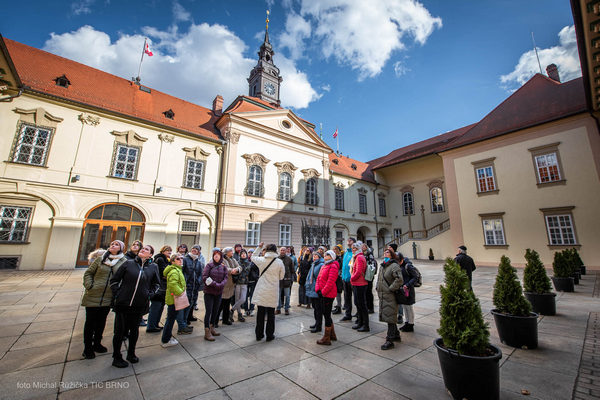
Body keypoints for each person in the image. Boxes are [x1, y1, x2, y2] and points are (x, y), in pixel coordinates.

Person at [110, 244, 160, 368]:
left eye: (147, 249)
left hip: (139, 304)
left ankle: (131, 353)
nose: (143, 250)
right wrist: (118, 293)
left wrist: (149, 295)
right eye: (142, 248)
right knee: (119, 332)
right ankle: (116, 356)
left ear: (150, 255)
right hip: (123, 303)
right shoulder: (129, 263)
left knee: (134, 330)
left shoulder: (153, 267)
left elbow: (156, 284)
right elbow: (114, 280)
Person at [81, 241, 126, 359]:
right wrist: (90, 285)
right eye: (112, 244)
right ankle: (87, 348)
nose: (113, 245)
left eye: (116, 244)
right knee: (90, 322)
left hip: (108, 296)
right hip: (93, 294)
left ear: (121, 248)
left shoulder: (123, 261)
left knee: (101, 322)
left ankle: (97, 343)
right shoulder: (100, 259)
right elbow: (88, 273)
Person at [251, 243, 285, 341]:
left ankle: (259, 335)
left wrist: (259, 247)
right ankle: (270, 335)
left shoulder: (262, 260)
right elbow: (281, 276)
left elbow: (253, 256)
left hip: (262, 289)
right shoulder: (279, 262)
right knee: (271, 314)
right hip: (272, 290)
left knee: (260, 313)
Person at [161, 254, 191, 348]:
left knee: (170, 319)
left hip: (175, 299)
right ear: (173, 261)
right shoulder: (174, 271)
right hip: (174, 299)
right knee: (170, 320)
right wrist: (181, 292)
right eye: (178, 259)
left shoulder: (178, 270)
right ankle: (165, 340)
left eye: (182, 258)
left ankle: (167, 337)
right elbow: (172, 285)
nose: (181, 260)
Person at [377, 249, 404, 350]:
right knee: (389, 315)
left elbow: (399, 279)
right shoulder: (383, 265)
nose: (385, 253)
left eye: (387, 252)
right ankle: (396, 334)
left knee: (390, 317)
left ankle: (390, 340)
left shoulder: (394, 265)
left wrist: (390, 289)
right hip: (383, 295)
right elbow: (380, 278)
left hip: (390, 295)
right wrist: (377, 287)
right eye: (384, 252)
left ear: (392, 255)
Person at [314, 250, 339, 345]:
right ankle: (332, 334)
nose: (325, 256)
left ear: (332, 257)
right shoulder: (324, 265)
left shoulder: (333, 266)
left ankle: (326, 338)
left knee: (327, 314)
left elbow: (330, 281)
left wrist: (323, 292)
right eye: (325, 254)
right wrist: (318, 290)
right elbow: (318, 278)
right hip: (322, 293)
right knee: (326, 313)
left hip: (328, 294)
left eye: (328, 255)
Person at [202, 250, 228, 341]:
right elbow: (205, 277)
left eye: (218, 255)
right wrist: (215, 284)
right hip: (209, 292)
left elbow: (226, 277)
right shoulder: (209, 266)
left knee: (215, 311)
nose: (216, 257)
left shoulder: (223, 267)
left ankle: (212, 327)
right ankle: (207, 331)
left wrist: (221, 285)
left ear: (221, 257)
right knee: (208, 311)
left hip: (219, 292)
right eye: (215, 255)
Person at [147, 245, 171, 333]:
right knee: (155, 307)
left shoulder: (166, 260)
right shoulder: (160, 259)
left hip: (163, 287)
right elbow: (163, 273)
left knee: (160, 307)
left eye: (170, 251)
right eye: (167, 250)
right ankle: (151, 326)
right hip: (159, 288)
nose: (169, 252)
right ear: (163, 251)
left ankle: (155, 324)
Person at [182, 245, 204, 326]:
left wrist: (198, 282)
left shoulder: (198, 262)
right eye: (193, 249)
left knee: (192, 301)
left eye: (196, 249)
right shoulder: (185, 259)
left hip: (195, 286)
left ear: (199, 252)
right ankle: (184, 320)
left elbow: (200, 273)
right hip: (187, 285)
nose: (194, 250)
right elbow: (183, 272)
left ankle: (189, 317)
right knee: (186, 303)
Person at [350, 241, 369, 332]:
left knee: (362, 304)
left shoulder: (360, 257)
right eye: (352, 248)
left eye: (355, 248)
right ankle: (360, 322)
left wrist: (352, 278)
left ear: (358, 249)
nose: (353, 250)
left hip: (360, 283)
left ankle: (365, 325)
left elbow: (358, 271)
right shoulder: (357, 257)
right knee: (358, 304)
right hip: (357, 283)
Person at [398, 253, 419, 332]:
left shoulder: (408, 266)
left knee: (409, 307)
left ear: (402, 259)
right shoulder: (400, 265)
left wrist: (408, 284)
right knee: (404, 307)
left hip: (408, 290)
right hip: (402, 290)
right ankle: (407, 322)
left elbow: (415, 277)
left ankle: (411, 324)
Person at [219, 247, 240, 325]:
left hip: (231, 284)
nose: (232, 252)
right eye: (231, 251)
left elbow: (239, 267)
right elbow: (223, 268)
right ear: (226, 252)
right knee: (220, 304)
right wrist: (232, 270)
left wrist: (237, 270)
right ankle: (214, 321)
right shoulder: (222, 259)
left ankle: (225, 319)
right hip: (225, 284)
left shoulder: (233, 259)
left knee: (227, 304)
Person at [305, 251, 324, 333]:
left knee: (318, 309)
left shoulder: (321, 265)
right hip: (312, 288)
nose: (314, 257)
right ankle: (316, 323)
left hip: (317, 289)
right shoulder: (313, 264)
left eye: (316, 256)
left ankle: (319, 325)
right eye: (313, 256)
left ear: (319, 257)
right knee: (315, 308)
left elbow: (320, 278)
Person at [231, 249, 250, 322]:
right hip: (237, 283)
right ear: (240, 255)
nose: (243, 254)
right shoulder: (237, 263)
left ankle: (232, 310)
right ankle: (239, 314)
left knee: (243, 299)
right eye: (242, 253)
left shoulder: (249, 263)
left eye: (244, 253)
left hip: (245, 283)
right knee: (237, 299)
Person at [388, 243, 404, 324]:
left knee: (398, 299)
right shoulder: (390, 256)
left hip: (396, 279)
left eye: (390, 247)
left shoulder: (397, 255)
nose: (388, 248)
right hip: (391, 279)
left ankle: (400, 315)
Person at [340, 238, 355, 322]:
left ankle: (359, 316)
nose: (348, 241)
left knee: (356, 299)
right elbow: (344, 266)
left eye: (351, 240)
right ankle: (348, 314)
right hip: (345, 278)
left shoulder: (354, 253)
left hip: (352, 279)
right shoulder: (346, 253)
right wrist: (343, 276)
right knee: (347, 297)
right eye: (348, 240)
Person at [276, 247, 294, 315]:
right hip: (279, 280)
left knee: (287, 296)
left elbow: (292, 270)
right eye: (281, 250)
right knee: (278, 295)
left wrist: (291, 279)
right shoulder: (277, 259)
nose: (282, 251)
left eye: (283, 250)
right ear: (279, 251)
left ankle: (286, 309)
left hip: (287, 280)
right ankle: (278, 309)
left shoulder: (289, 259)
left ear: (286, 251)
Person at [362, 243, 377, 314]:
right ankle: (367, 306)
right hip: (364, 276)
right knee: (365, 292)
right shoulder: (361, 254)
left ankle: (370, 307)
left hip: (369, 275)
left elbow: (372, 265)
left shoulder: (369, 254)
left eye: (364, 246)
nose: (362, 247)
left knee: (368, 292)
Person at [244, 249, 259, 316]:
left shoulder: (256, 261)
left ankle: (252, 309)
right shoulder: (245, 260)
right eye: (249, 252)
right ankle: (246, 310)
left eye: (251, 252)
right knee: (245, 297)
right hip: (246, 281)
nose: (250, 253)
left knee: (252, 296)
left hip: (253, 280)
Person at [332, 245, 344, 314]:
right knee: (335, 293)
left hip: (338, 277)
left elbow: (339, 267)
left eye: (335, 249)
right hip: (334, 277)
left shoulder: (339, 258)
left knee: (338, 293)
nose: (334, 251)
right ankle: (337, 306)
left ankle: (339, 307)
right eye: (333, 249)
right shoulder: (333, 258)